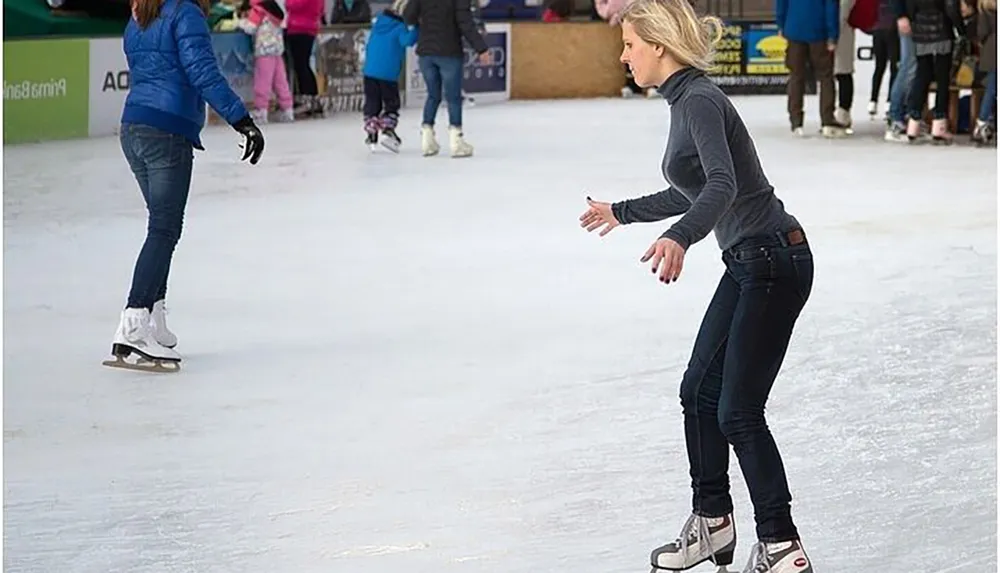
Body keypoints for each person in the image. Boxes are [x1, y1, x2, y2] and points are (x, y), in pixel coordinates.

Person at [578, 0, 816, 571]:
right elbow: (693, 189)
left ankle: (782, 546)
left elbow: (723, 185)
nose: (625, 55)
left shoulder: (701, 99)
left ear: (658, 47)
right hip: (750, 260)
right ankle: (712, 520)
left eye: (631, 45)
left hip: (774, 260)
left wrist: (681, 238)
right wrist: (623, 211)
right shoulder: (684, 100)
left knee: (737, 409)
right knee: (698, 394)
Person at [108, 0, 265, 371]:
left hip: (134, 128)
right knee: (163, 229)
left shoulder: (139, 15)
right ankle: (132, 323)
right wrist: (241, 120)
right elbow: (202, 71)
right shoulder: (185, 12)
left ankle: (155, 316)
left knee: (161, 226)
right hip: (167, 130)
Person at [403, 0, 491, 157]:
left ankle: (427, 138)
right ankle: (456, 141)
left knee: (433, 96)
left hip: (426, 52)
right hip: (448, 52)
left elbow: (408, 16)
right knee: (453, 98)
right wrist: (481, 48)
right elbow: (465, 23)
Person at [777, 0, 847, 137]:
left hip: (794, 28)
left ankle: (796, 122)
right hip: (818, 31)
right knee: (826, 77)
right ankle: (827, 120)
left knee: (796, 76)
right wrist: (833, 34)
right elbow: (831, 7)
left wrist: (781, 23)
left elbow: (781, 3)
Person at [362, 0, 419, 151]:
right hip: (388, 74)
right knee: (391, 103)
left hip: (370, 72)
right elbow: (407, 41)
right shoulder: (399, 28)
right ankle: (388, 129)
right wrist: (416, 28)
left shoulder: (378, 24)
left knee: (372, 102)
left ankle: (371, 132)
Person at [905, 0, 963, 143]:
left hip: (920, 31)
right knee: (942, 79)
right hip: (942, 31)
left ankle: (913, 124)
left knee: (921, 76)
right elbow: (951, 7)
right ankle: (939, 125)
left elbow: (910, 8)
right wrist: (961, 29)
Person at [238, 0, 295, 123]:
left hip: (264, 50)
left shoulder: (258, 10)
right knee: (281, 81)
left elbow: (250, 28)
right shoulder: (276, 9)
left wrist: (241, 23)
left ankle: (261, 110)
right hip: (277, 50)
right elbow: (284, 24)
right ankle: (288, 109)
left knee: (263, 81)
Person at [285, 0, 325, 117]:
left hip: (299, 28)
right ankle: (313, 99)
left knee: (301, 65)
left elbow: (292, 5)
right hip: (309, 27)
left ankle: (306, 98)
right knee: (304, 64)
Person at [869, 0, 900, 120]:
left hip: (878, 28)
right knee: (894, 67)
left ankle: (873, 101)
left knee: (879, 67)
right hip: (893, 28)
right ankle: (889, 102)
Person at [972, 0, 996, 144]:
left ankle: (983, 120)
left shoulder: (985, 8)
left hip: (992, 50)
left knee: (991, 87)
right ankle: (984, 120)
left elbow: (982, 32)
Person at [834, 0, 858, 131]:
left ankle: (843, 114)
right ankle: (841, 113)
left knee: (843, 73)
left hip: (841, 34)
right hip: (837, 33)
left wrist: (831, 32)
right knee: (840, 73)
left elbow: (843, 13)